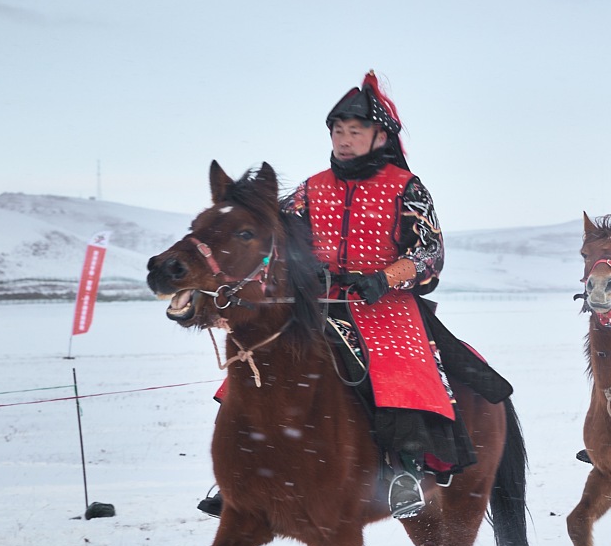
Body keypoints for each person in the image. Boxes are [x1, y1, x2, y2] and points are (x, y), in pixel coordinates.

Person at [200, 71, 474, 520]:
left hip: (385, 305)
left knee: (400, 370)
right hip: (314, 303)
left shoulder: (407, 187)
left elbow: (429, 252)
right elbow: (276, 238)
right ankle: (237, 470)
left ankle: (404, 472)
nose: (344, 140)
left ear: (379, 135)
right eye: (338, 131)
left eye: (355, 131)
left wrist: (385, 278)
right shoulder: (310, 188)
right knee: (252, 365)